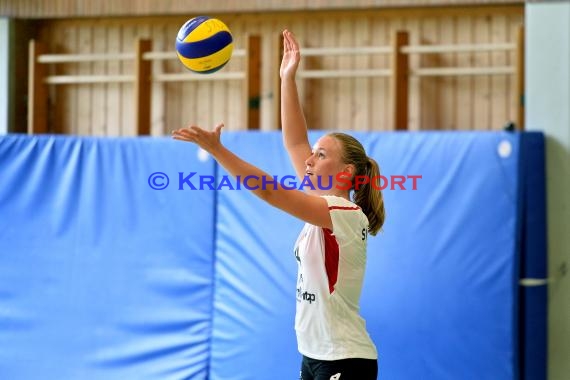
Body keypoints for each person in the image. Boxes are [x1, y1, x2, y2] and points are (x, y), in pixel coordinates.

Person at [172, 29, 385, 380]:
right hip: (313, 355)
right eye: (313, 153)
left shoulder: (344, 215)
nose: (309, 159)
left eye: (321, 154)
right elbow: (295, 141)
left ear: (346, 172)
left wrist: (218, 151)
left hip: (345, 359)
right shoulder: (322, 203)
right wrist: (287, 78)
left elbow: (270, 192)